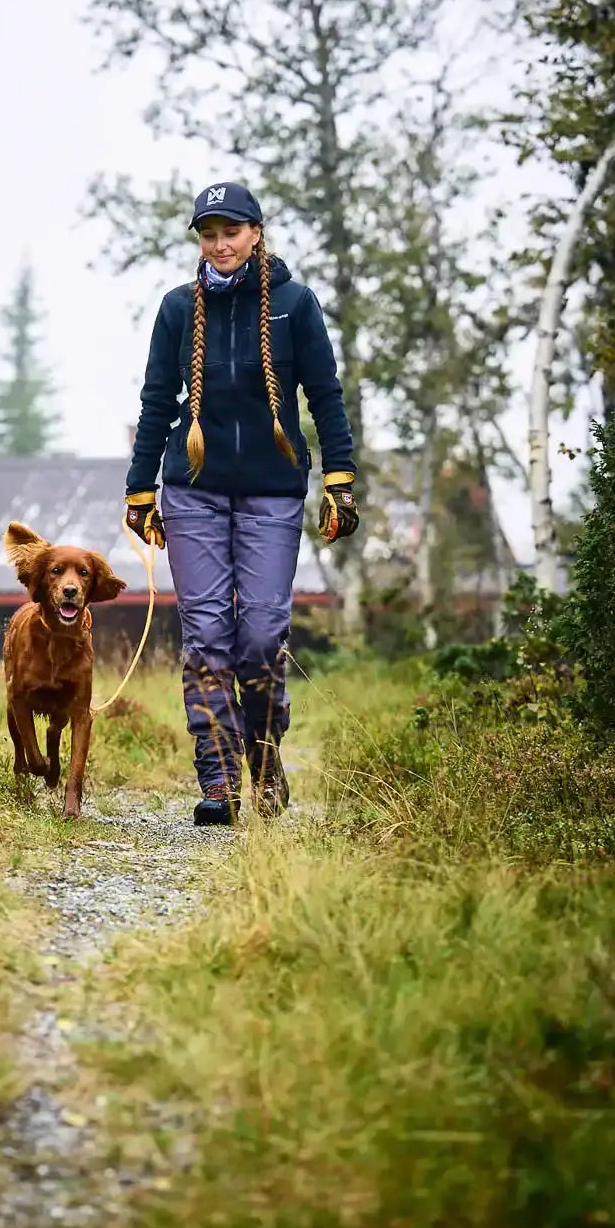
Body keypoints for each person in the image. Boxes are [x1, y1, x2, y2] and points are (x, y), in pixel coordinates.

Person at [124, 182, 359, 826]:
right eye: (209, 233)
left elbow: (326, 396)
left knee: (259, 635)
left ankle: (263, 755)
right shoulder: (177, 308)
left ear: (256, 232)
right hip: (193, 490)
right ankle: (221, 778)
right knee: (206, 638)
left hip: (272, 490)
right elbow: (155, 403)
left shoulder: (295, 305)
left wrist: (340, 477)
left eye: (231, 231)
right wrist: (140, 490)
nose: (220, 244)